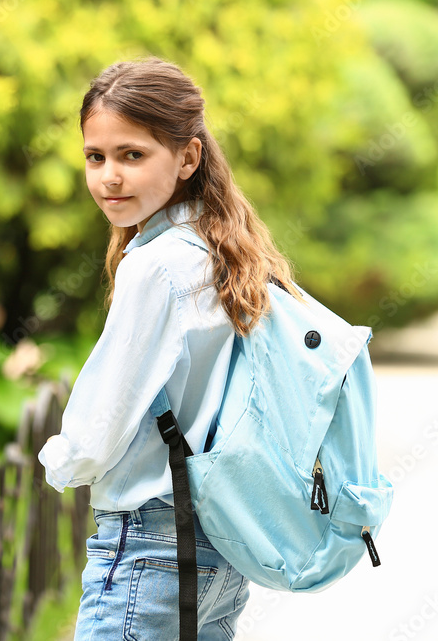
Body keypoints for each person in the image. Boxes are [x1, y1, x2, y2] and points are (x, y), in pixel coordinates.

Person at [38, 57, 302, 640]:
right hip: (218, 548)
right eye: (96, 156)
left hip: (147, 550)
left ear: (187, 157)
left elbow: (98, 427)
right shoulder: (218, 248)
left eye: (132, 155)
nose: (109, 176)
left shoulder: (157, 267)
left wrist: (57, 461)